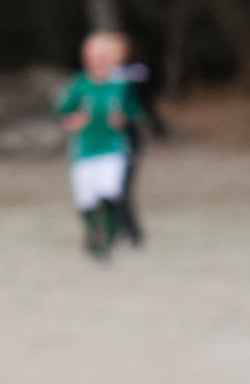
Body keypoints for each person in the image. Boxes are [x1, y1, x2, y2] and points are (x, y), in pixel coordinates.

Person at [56, 32, 133, 260]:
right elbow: (63, 111)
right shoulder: (79, 85)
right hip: (84, 150)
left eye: (102, 56)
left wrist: (122, 120)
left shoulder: (120, 86)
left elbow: (131, 112)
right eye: (92, 56)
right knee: (85, 200)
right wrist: (72, 121)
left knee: (108, 192)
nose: (97, 60)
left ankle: (108, 239)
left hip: (112, 149)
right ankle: (92, 233)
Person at [110, 34, 168, 249]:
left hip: (128, 137)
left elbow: (148, 106)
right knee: (108, 188)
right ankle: (114, 230)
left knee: (122, 188)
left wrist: (159, 134)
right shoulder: (99, 76)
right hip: (104, 140)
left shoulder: (137, 73)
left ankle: (133, 234)